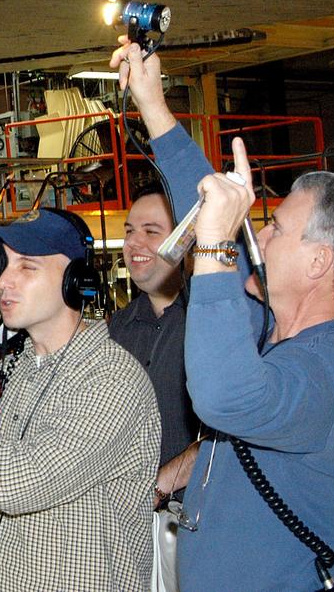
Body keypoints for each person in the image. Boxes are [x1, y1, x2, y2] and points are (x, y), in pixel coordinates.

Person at [112, 37, 334, 590]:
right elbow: (202, 206)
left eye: (276, 228)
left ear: (319, 262)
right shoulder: (278, 329)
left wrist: (216, 245)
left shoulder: (325, 373)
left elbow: (224, 398)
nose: (259, 236)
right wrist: (153, 103)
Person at [0, 209, 160, 591]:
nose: (4, 280)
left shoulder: (113, 378)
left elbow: (20, 483)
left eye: (27, 266)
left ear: (75, 281)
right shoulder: (19, 368)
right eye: (4, 265)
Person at [107, 183, 199, 503]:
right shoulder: (118, 329)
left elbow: (233, 434)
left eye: (151, 231)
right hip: (127, 518)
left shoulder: (211, 325)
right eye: (130, 230)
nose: (134, 242)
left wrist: (161, 484)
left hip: (197, 517)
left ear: (185, 242)